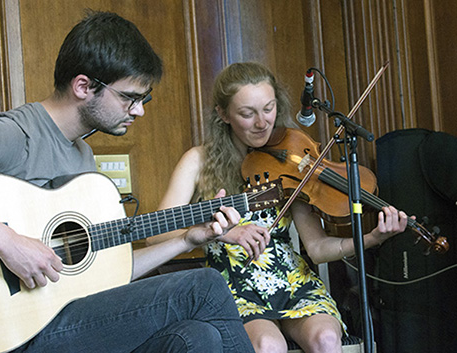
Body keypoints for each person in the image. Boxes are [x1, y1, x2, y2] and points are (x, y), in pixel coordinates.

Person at [0, 11, 256, 353]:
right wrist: (9, 243)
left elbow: (109, 273)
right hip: (7, 332)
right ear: (84, 86)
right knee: (204, 286)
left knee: (197, 338)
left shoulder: (82, 160)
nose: (139, 111)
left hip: (60, 320)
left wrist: (188, 239)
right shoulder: (16, 133)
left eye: (144, 99)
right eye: (129, 97)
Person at [148, 62, 410, 353]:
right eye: (247, 114)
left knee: (325, 339)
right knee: (268, 345)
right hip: (232, 286)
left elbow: (318, 249)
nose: (262, 123)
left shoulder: (289, 163)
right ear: (223, 115)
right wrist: (220, 233)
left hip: (293, 281)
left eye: (269, 108)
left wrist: (373, 238)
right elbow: (156, 236)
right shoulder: (198, 161)